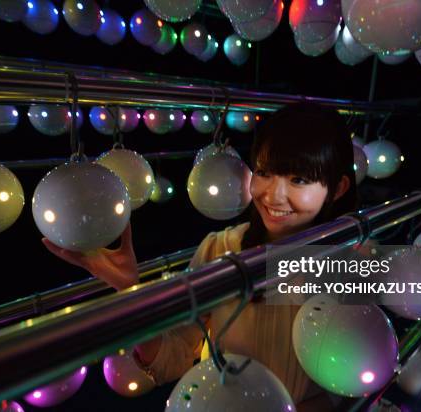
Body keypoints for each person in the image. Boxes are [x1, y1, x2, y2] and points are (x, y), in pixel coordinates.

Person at [42, 102, 357, 410]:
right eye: (264, 172)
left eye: (298, 179)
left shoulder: (351, 262)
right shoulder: (221, 248)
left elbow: (358, 371)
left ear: (337, 188)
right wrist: (130, 291)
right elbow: (173, 356)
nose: (272, 195)